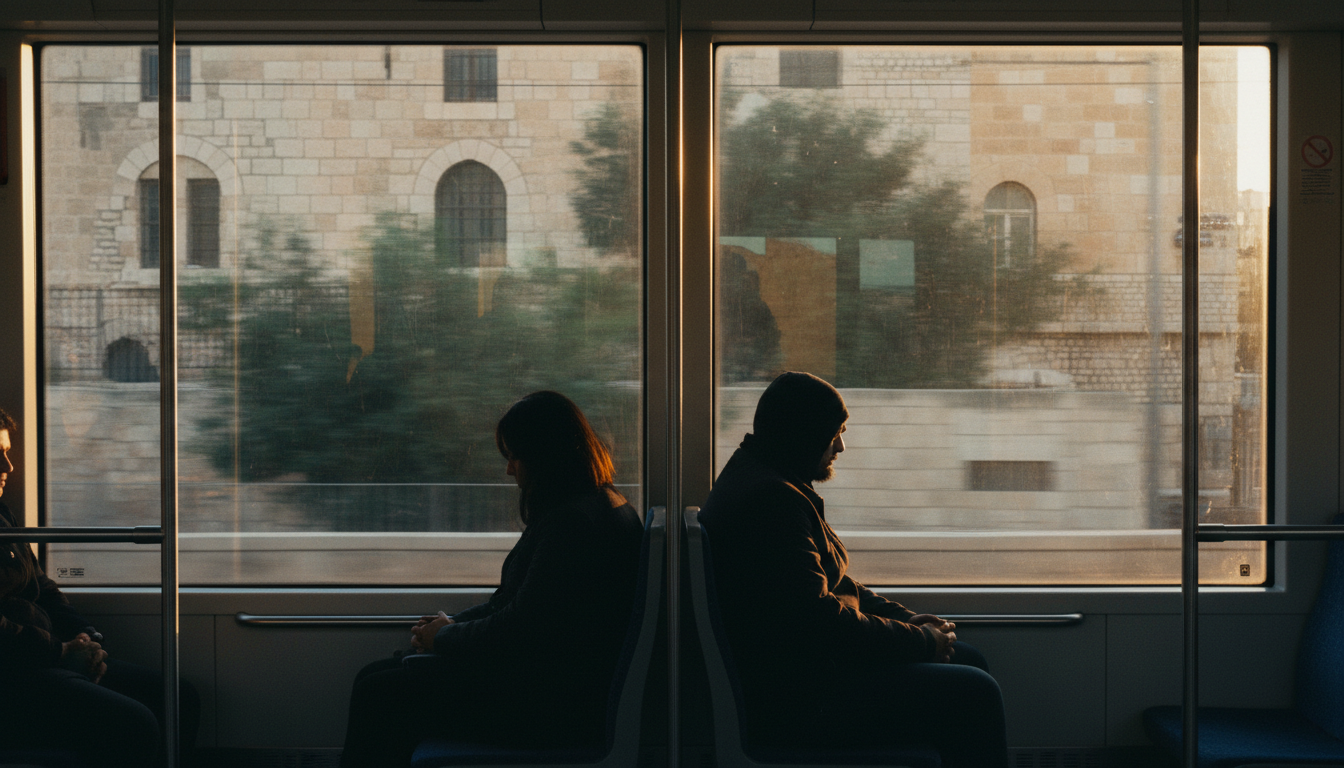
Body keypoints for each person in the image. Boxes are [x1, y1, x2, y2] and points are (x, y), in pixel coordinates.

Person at [698, 372, 1008, 768]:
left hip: (806, 673)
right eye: (834, 433)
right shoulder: (772, 501)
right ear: (804, 434)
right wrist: (920, 642)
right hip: (798, 701)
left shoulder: (766, 478)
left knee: (969, 659)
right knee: (975, 691)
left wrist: (906, 620)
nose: (841, 445)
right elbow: (819, 620)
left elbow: (837, 585)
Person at [340, 391, 644, 767]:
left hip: (550, 708)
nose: (509, 469)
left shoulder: (574, 526)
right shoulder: (597, 506)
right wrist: (449, 626)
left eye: (514, 456)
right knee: (381, 675)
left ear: (543, 455)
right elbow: (516, 604)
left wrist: (446, 637)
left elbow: (520, 628)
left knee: (378, 692)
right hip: (547, 686)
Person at [0, 407, 200, 767]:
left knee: (179, 697)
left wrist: (84, 634)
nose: (8, 467)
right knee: (135, 725)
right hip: (16, 672)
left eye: (7, 452)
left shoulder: (3, 516)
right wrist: (60, 652)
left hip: (47, 654)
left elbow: (42, 587)